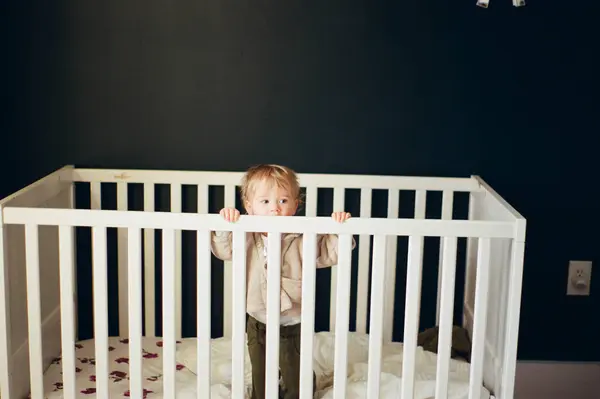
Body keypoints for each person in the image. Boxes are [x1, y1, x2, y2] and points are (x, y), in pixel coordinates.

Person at [210, 164, 355, 399]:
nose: (275, 209)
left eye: (283, 201)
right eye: (265, 202)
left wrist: (339, 229)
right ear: (249, 206)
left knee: (296, 379)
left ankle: (303, 384)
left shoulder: (304, 236)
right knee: (261, 379)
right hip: (257, 321)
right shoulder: (245, 234)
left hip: (293, 323)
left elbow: (332, 252)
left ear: (296, 205)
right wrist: (227, 225)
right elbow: (223, 250)